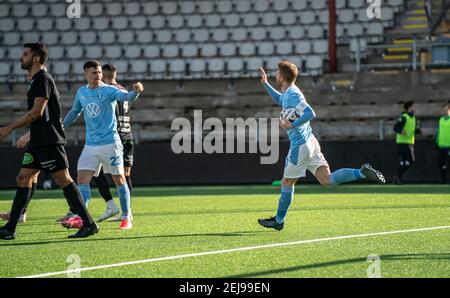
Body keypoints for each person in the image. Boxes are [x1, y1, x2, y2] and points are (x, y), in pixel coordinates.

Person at [257, 61, 385, 231]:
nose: (275, 75)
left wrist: (291, 125)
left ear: (282, 76)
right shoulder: (289, 93)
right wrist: (265, 84)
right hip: (310, 141)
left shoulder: (294, 95)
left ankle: (279, 221)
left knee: (286, 183)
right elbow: (280, 99)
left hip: (300, 145)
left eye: (277, 73)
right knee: (327, 179)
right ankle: (361, 172)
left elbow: (311, 113)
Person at [0, 43, 98, 240]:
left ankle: (89, 224)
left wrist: (9, 128)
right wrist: (29, 135)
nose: (21, 57)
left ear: (36, 59)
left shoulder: (42, 78)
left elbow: (37, 112)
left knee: (63, 179)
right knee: (23, 178)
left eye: (25, 54)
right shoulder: (36, 79)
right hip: (38, 141)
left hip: (49, 140)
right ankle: (10, 228)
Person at [62, 60, 143, 230]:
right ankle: (82, 217)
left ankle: (126, 217)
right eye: (94, 73)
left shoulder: (108, 90)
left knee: (119, 180)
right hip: (91, 145)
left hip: (110, 143)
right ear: (86, 74)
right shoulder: (82, 92)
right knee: (82, 179)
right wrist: (62, 126)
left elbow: (126, 96)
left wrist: (135, 92)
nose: (98, 75)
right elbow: (75, 111)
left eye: (99, 72)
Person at [90, 64, 136, 222]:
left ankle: (111, 205)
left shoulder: (108, 91)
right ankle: (127, 212)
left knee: (95, 172)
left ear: (104, 75)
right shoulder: (123, 89)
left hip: (113, 137)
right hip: (128, 135)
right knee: (125, 175)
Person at [392, 101, 421, 184]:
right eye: (413, 106)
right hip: (403, 143)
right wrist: (401, 131)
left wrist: (417, 131)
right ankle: (398, 176)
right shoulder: (404, 116)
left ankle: (398, 177)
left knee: (403, 162)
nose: (414, 108)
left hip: (410, 142)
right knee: (411, 160)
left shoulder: (414, 118)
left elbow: (411, 129)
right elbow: (395, 127)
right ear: (409, 107)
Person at [436, 103, 450, 183]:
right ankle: (443, 181)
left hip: (449, 146)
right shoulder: (441, 120)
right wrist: (437, 142)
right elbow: (439, 132)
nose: (445, 112)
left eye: (446, 110)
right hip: (441, 146)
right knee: (442, 164)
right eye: (444, 110)